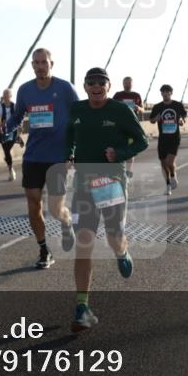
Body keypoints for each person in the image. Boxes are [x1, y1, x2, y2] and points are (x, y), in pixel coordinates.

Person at [66, 67, 149, 332]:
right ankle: (82, 307)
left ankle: (122, 251)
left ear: (109, 86)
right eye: (91, 82)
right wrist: (68, 153)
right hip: (83, 184)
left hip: (111, 183)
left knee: (114, 238)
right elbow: (68, 136)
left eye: (101, 82)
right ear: (85, 86)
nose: (96, 86)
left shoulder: (120, 111)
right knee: (84, 242)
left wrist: (120, 152)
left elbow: (142, 141)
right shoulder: (76, 110)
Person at [0, 48, 77, 266]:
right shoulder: (25, 90)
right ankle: (44, 250)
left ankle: (66, 220)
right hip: (33, 155)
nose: (40, 66)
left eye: (44, 62)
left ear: (52, 63)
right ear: (32, 65)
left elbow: (79, 114)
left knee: (55, 208)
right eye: (36, 63)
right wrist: (6, 129)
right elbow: (17, 117)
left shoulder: (65, 89)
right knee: (33, 205)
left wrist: (74, 150)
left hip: (58, 157)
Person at [149, 84, 187, 195]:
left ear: (171, 93)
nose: (165, 94)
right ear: (161, 93)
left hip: (174, 137)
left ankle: (173, 175)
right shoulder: (157, 107)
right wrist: (156, 118)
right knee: (163, 163)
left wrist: (182, 121)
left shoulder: (177, 105)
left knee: (170, 162)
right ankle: (168, 185)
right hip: (162, 139)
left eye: (167, 92)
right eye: (163, 92)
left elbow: (184, 116)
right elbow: (151, 120)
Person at [112, 76, 144, 178]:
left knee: (131, 148)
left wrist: (138, 108)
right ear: (123, 84)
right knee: (120, 147)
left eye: (129, 83)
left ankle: (129, 171)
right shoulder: (118, 95)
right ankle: (120, 169)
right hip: (120, 126)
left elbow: (143, 109)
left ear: (132, 84)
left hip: (132, 126)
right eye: (126, 83)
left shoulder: (136, 95)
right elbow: (111, 106)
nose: (127, 84)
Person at [0, 88, 22, 181]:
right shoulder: (0, 107)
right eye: (4, 96)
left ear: (10, 96)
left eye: (7, 96)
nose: (5, 97)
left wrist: (20, 126)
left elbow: (20, 117)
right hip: (3, 131)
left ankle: (17, 139)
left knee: (7, 149)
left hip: (13, 131)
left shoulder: (15, 106)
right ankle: (10, 170)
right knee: (6, 151)